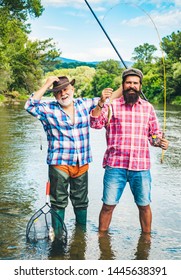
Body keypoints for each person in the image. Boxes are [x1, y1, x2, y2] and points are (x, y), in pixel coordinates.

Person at [25, 75, 122, 230]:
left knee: (81, 202)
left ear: (72, 89)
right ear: (54, 95)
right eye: (58, 92)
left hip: (81, 163)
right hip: (59, 164)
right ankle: (58, 237)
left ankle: (80, 235)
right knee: (58, 202)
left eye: (65, 89)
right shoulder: (47, 109)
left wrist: (126, 83)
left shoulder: (84, 103)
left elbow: (110, 99)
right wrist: (47, 83)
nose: (63, 93)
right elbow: (29, 106)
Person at [90, 68, 169, 234]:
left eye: (135, 83)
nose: (131, 86)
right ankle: (102, 239)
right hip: (115, 166)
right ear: (123, 85)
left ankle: (146, 240)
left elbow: (153, 136)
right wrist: (100, 103)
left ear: (140, 86)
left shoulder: (148, 108)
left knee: (144, 206)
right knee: (107, 206)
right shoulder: (111, 106)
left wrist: (159, 142)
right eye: (128, 83)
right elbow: (95, 123)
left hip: (140, 167)